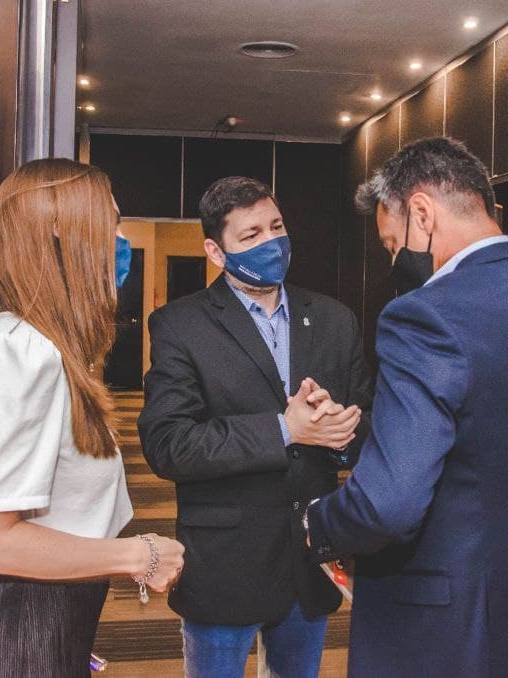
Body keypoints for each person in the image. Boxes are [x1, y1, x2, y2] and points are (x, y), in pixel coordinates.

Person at [304, 137, 508, 677]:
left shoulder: (424, 316)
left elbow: (386, 506)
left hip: (455, 638)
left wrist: (317, 523)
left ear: (422, 213)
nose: (395, 261)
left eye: (392, 244)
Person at [0, 159, 184, 677]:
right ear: (59, 230)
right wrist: (137, 556)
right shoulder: (27, 349)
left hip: (44, 618)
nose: (118, 241)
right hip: (18, 627)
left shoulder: (35, 342)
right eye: (109, 224)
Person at [138, 176, 372, 677]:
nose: (271, 242)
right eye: (251, 235)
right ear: (215, 251)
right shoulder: (180, 325)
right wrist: (285, 430)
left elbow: (367, 427)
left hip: (310, 561)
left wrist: (340, 432)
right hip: (225, 565)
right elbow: (169, 444)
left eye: (277, 226)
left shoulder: (335, 320)